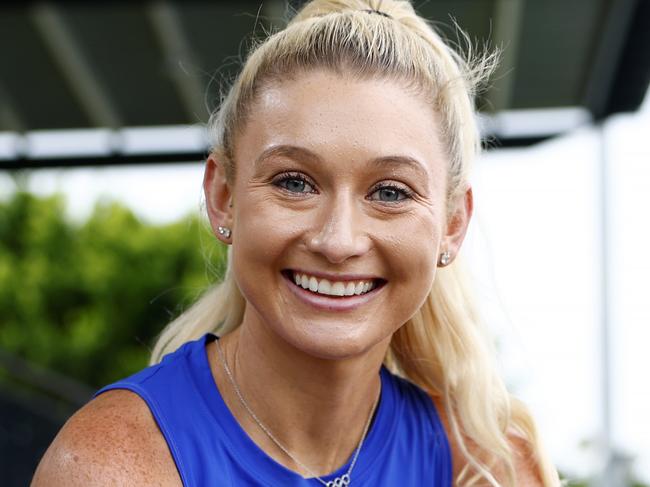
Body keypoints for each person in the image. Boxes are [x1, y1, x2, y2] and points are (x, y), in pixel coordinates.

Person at [32, 1, 561, 485]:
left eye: (390, 192)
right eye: (294, 182)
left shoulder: (490, 466)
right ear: (223, 197)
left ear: (451, 225)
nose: (338, 240)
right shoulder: (115, 465)